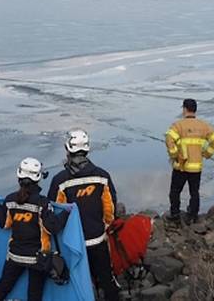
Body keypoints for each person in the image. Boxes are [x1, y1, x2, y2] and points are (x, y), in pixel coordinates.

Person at [48, 129, 120, 301]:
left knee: (78, 282)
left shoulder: (60, 181)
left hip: (73, 244)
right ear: (87, 150)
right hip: (97, 239)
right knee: (106, 279)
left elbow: (54, 213)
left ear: (68, 150)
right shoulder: (102, 176)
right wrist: (104, 227)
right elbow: (110, 209)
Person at [0, 157, 70, 301]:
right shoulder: (42, 203)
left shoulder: (10, 200)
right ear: (38, 178)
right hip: (38, 259)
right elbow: (53, 228)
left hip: (14, 256)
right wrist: (66, 213)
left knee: (3, 288)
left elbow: (4, 224)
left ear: (18, 176)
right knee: (34, 295)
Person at [165, 99, 214, 225]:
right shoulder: (204, 126)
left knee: (175, 191)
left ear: (184, 109)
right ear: (195, 110)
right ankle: (193, 215)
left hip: (181, 166)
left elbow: (169, 141)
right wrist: (206, 154)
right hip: (196, 167)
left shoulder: (178, 125)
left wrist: (174, 155)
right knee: (194, 192)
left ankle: (175, 214)